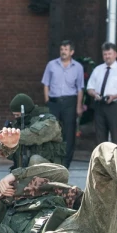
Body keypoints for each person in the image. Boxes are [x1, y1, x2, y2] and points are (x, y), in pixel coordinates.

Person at [41, 40, 84, 168]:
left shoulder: (78, 67)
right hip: (54, 102)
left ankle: (65, 162)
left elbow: (80, 88)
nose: (63, 52)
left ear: (72, 52)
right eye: (61, 50)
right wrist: (47, 101)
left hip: (70, 102)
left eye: (65, 50)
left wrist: (78, 106)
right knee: (52, 131)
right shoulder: (51, 65)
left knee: (69, 133)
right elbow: (46, 84)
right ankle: (52, 159)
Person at [86, 42, 117, 145]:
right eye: (105, 54)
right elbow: (89, 88)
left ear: (115, 54)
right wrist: (95, 94)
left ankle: (116, 161)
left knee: (116, 136)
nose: (107, 56)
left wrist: (114, 96)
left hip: (114, 107)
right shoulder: (98, 69)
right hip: (99, 105)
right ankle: (101, 160)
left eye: (109, 54)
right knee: (100, 138)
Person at [7, 93, 65, 168]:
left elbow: (33, 135)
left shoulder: (49, 121)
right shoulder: (18, 125)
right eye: (14, 115)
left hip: (50, 171)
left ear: (26, 112)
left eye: (18, 115)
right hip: (24, 172)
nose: (15, 118)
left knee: (35, 159)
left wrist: (11, 137)